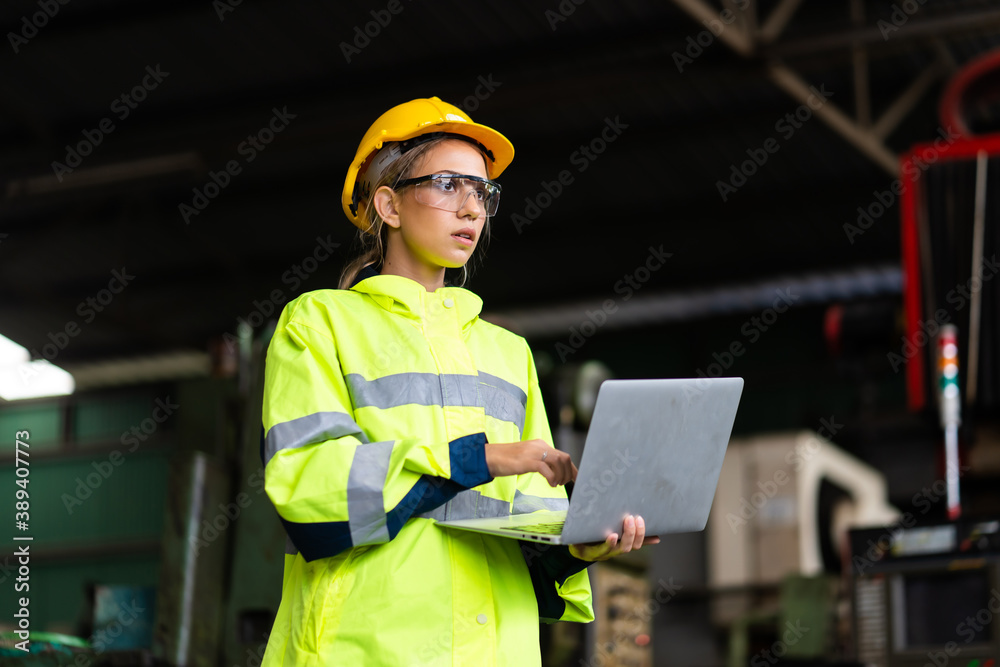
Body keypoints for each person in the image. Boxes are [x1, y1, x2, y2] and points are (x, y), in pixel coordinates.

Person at [259, 96, 658, 666]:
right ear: (388, 205)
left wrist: (581, 544)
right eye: (448, 185)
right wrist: (478, 460)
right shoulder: (321, 323)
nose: (471, 208)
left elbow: (530, 537)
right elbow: (309, 488)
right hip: (364, 650)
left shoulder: (508, 354)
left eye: (483, 192)